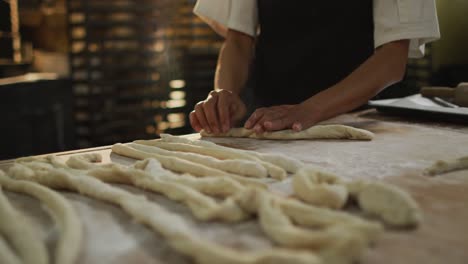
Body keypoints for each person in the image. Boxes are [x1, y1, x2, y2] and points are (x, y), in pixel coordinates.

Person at [190, 0, 440, 134]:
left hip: (359, 121)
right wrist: (226, 94)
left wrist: (309, 110)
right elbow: (239, 39)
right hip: (267, 123)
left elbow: (392, 59)